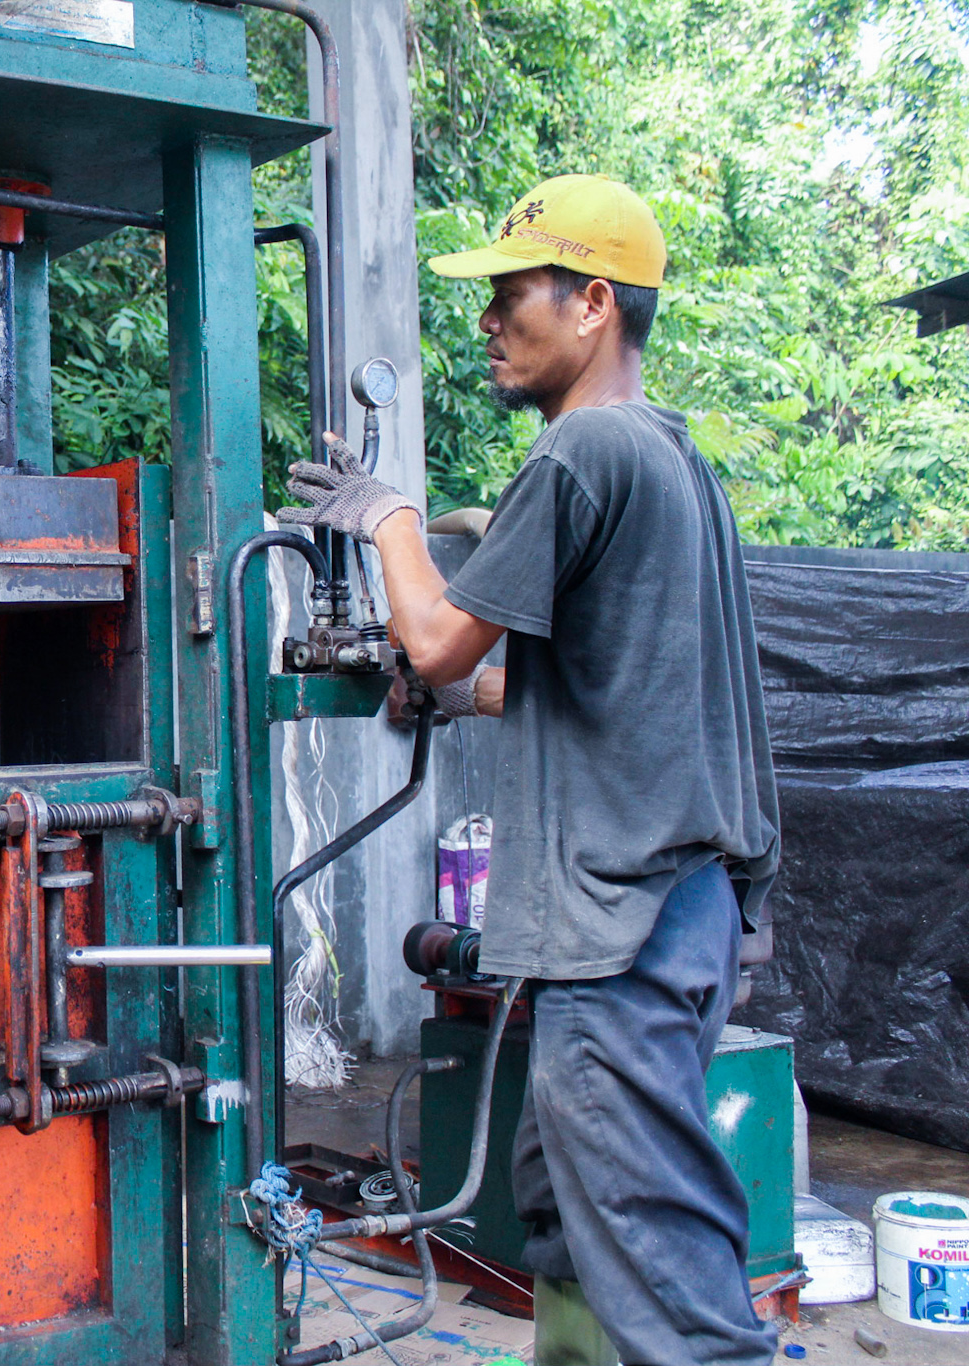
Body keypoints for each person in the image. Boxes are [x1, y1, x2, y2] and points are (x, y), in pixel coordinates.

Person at [280, 174, 781, 1366]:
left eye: (510, 295)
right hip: (678, 912)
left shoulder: (583, 450)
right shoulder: (669, 462)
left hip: (621, 925)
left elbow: (443, 638)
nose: (487, 320)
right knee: (565, 1211)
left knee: (663, 1269)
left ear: (593, 303)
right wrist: (452, 685)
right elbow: (571, 681)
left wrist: (391, 521)